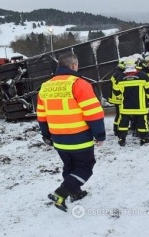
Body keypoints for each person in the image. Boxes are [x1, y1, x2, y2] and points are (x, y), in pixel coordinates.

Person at [36, 52, 106, 212]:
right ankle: (61, 193)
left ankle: (75, 192)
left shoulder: (45, 86)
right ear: (74, 65)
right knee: (85, 167)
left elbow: (41, 115)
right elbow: (93, 112)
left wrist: (46, 135)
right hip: (79, 136)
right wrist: (100, 135)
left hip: (58, 139)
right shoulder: (79, 83)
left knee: (70, 166)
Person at [114, 56, 149, 146]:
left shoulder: (120, 77)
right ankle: (143, 138)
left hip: (126, 107)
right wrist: (148, 97)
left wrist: (121, 98)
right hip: (141, 106)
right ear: (136, 64)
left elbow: (116, 92)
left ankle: (122, 138)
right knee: (142, 122)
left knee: (123, 122)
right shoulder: (143, 75)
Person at [108, 58, 125, 136]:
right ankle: (117, 130)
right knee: (120, 114)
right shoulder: (120, 74)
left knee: (118, 114)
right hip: (118, 98)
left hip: (115, 97)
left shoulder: (116, 72)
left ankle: (116, 128)